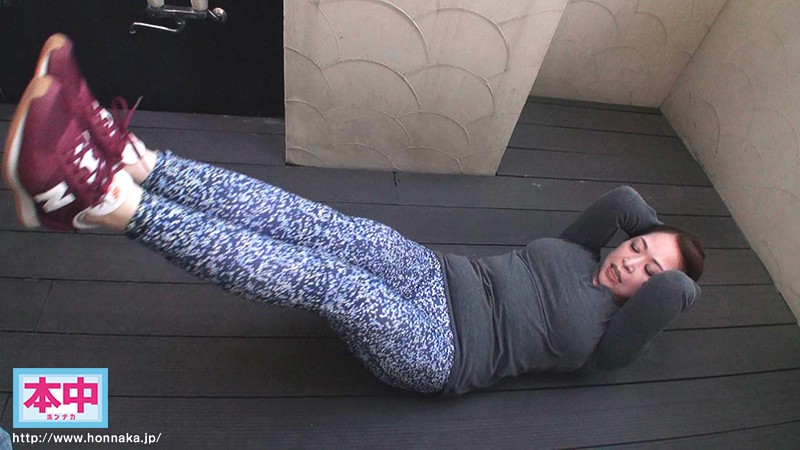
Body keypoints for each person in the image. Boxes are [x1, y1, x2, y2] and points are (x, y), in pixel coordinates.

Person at [4, 34, 704, 396]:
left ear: (660, 298)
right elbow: (622, 203)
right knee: (315, 223)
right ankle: (135, 163)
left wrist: (676, 272)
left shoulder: (609, 340)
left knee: (332, 281)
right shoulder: (585, 249)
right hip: (437, 274)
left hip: (441, 351)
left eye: (651, 271)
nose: (633, 261)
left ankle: (102, 203)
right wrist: (655, 231)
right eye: (639, 247)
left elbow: (673, 291)